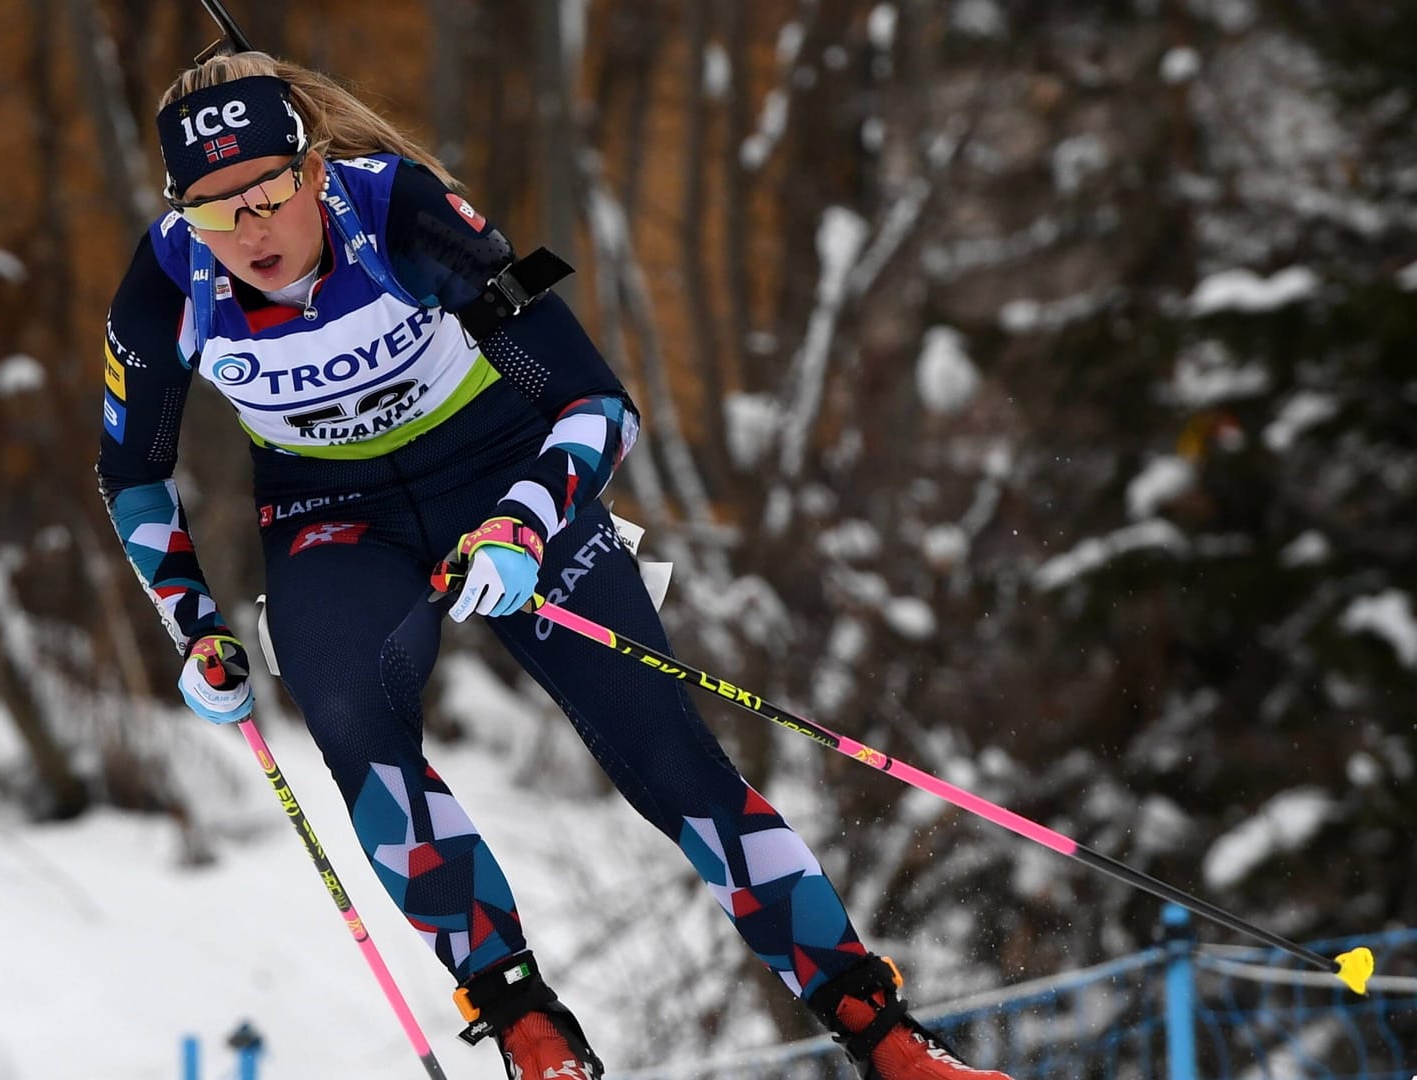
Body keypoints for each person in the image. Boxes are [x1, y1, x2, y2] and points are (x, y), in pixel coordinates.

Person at [95, 49, 1014, 1080]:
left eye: (266, 192)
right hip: (330, 514)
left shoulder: (405, 216)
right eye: (215, 211)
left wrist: (525, 526)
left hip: (498, 475)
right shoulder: (165, 284)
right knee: (351, 718)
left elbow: (596, 404)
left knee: (667, 754)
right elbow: (133, 474)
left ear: (312, 168)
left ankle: (883, 1032)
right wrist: (196, 627)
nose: (248, 232)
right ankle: (528, 1028)